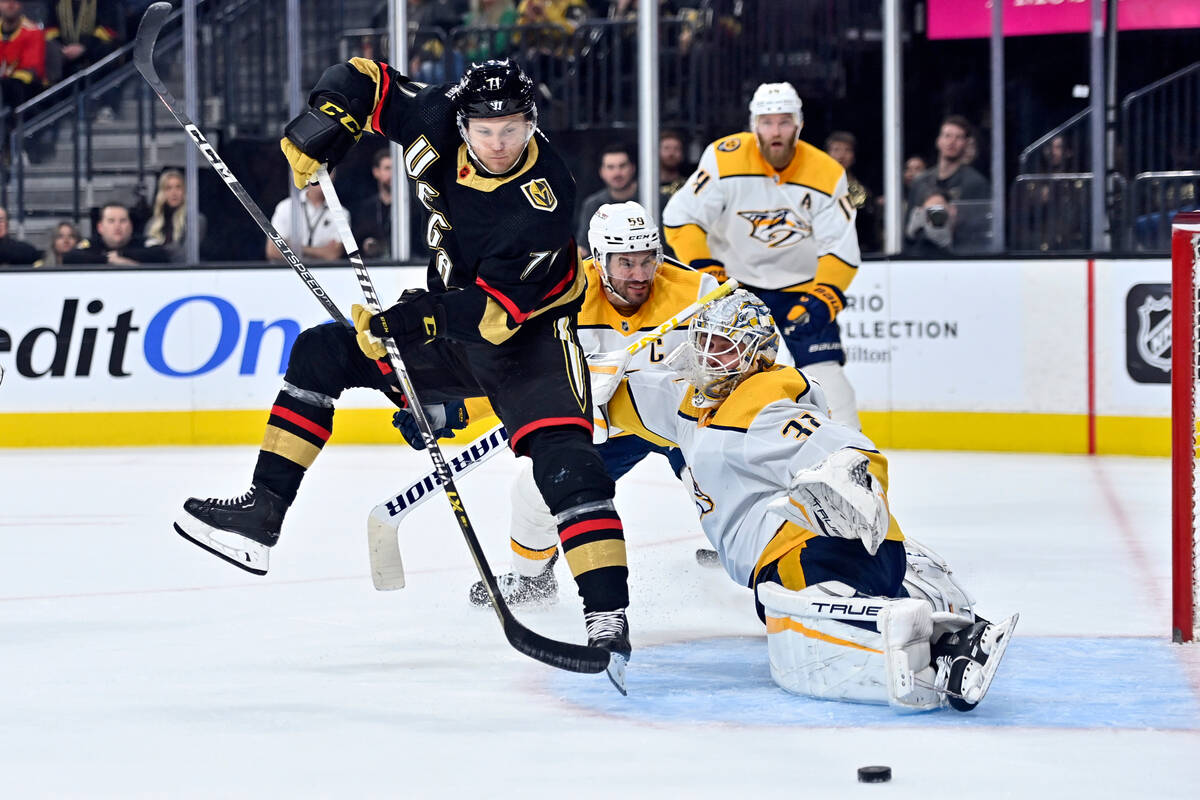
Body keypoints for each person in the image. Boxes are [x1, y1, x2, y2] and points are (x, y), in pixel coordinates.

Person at [174, 58, 634, 679]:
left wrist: (404, 325)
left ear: (532, 125)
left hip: (530, 344)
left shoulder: (542, 198)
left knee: (568, 467)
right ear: (462, 121)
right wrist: (324, 120)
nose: (499, 143)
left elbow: (492, 314)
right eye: (486, 128)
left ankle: (608, 619)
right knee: (322, 350)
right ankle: (263, 512)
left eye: (514, 128)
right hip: (448, 328)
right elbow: (367, 77)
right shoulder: (436, 117)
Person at [602, 289, 1018, 712]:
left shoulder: (762, 406)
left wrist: (853, 477)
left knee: (817, 633)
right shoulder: (693, 399)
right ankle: (945, 621)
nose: (709, 357)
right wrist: (583, 379)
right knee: (810, 616)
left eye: (724, 347)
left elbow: (851, 451)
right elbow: (628, 398)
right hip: (829, 553)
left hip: (811, 552)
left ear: (757, 356)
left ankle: (947, 644)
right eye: (704, 342)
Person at [449, 200, 771, 607]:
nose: (640, 276)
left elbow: (754, 359)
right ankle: (532, 582)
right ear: (598, 260)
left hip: (685, 418)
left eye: (647, 260)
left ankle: (763, 561)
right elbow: (516, 373)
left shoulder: (699, 292)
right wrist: (461, 409)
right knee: (535, 491)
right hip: (609, 424)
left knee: (724, 482)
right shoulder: (560, 298)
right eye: (626, 263)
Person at [663, 82, 863, 428]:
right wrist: (706, 268)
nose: (776, 131)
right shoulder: (724, 158)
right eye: (767, 122)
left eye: (784, 122)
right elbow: (681, 217)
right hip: (735, 289)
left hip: (801, 286)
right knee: (724, 370)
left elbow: (840, 246)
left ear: (798, 126)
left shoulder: (827, 173)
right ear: (754, 126)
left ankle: (851, 448)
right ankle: (716, 437)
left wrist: (825, 296)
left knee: (824, 370)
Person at [907, 115, 991, 254]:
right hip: (920, 258)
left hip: (958, 258)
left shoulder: (976, 183)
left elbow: (981, 231)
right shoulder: (920, 182)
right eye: (947, 136)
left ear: (966, 143)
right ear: (938, 141)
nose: (952, 142)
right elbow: (908, 231)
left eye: (958, 137)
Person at [575, 141, 637, 259]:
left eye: (622, 166)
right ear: (602, 172)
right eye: (610, 167)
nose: (617, 173)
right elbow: (583, 248)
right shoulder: (592, 205)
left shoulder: (652, 199)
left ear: (632, 168)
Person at [265, 175, 347, 262]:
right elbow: (273, 251)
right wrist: (320, 251)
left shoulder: (341, 213)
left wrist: (293, 246)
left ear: (333, 177)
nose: (322, 177)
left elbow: (333, 254)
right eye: (317, 170)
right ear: (308, 174)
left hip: (323, 272)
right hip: (288, 270)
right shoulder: (286, 207)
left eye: (327, 172)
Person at [825, 131, 880, 253]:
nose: (841, 155)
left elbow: (865, 224)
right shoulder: (815, 186)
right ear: (827, 154)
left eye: (847, 150)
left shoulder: (860, 190)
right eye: (836, 150)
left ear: (853, 156)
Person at [63, 203, 170, 264]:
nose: (117, 226)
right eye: (111, 221)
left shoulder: (143, 242)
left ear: (131, 226)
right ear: (100, 227)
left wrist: (122, 255)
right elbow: (70, 257)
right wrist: (107, 259)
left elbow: (161, 254)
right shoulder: (92, 243)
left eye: (123, 221)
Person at [143, 168, 207, 262]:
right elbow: (145, 256)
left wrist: (159, 250)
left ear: (184, 191)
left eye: (178, 187)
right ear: (162, 193)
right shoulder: (152, 223)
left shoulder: (195, 220)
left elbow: (186, 256)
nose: (174, 193)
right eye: (168, 188)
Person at [0, 0, 45, 111]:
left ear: (22, 5)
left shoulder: (33, 31)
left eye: (15, 1)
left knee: (16, 87)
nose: (10, 5)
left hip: (24, 91)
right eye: (5, 1)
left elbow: (30, 70)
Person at [350, 148, 393, 260]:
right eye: (387, 168)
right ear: (376, 172)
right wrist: (366, 244)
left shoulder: (413, 208)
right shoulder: (366, 209)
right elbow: (356, 242)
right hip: (373, 266)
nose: (392, 173)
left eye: (396, 168)